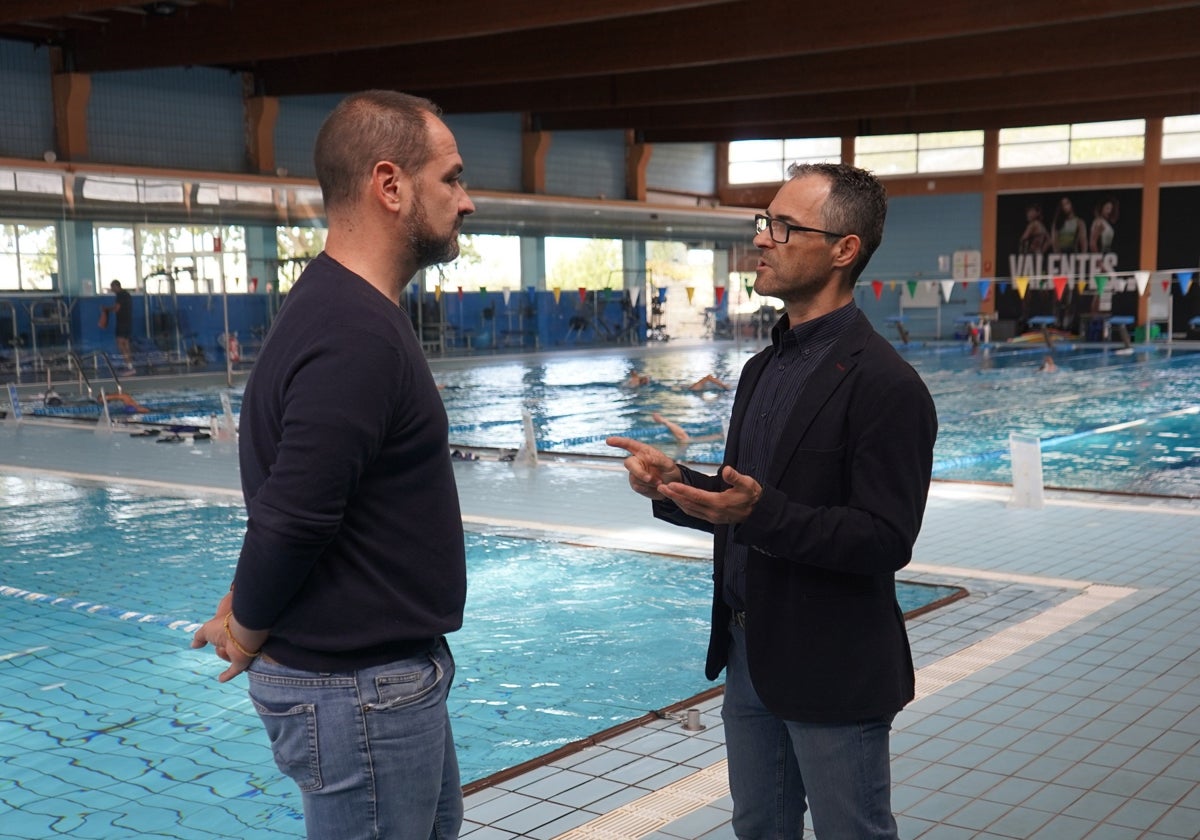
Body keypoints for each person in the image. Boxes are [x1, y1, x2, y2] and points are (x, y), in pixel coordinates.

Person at [608, 162, 938, 839]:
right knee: (758, 827)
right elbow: (747, 501)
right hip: (747, 652)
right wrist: (674, 484)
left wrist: (758, 514)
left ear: (844, 249)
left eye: (785, 227)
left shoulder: (885, 385)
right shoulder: (763, 368)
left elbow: (884, 538)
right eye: (766, 223)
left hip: (831, 661)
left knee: (853, 832)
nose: (763, 238)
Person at [190, 90, 475, 840]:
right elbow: (296, 516)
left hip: (376, 679)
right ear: (390, 185)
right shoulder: (356, 333)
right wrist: (249, 630)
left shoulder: (336, 306)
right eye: (451, 178)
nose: (466, 201)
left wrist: (246, 599)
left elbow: (309, 484)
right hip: (358, 691)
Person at [103, 280, 135, 372]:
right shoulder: (127, 294)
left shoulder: (120, 295)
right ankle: (130, 366)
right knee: (126, 344)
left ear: (116, 286)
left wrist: (107, 309)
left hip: (122, 323)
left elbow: (117, 308)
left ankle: (129, 367)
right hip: (128, 322)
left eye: (112, 288)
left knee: (121, 343)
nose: (112, 290)